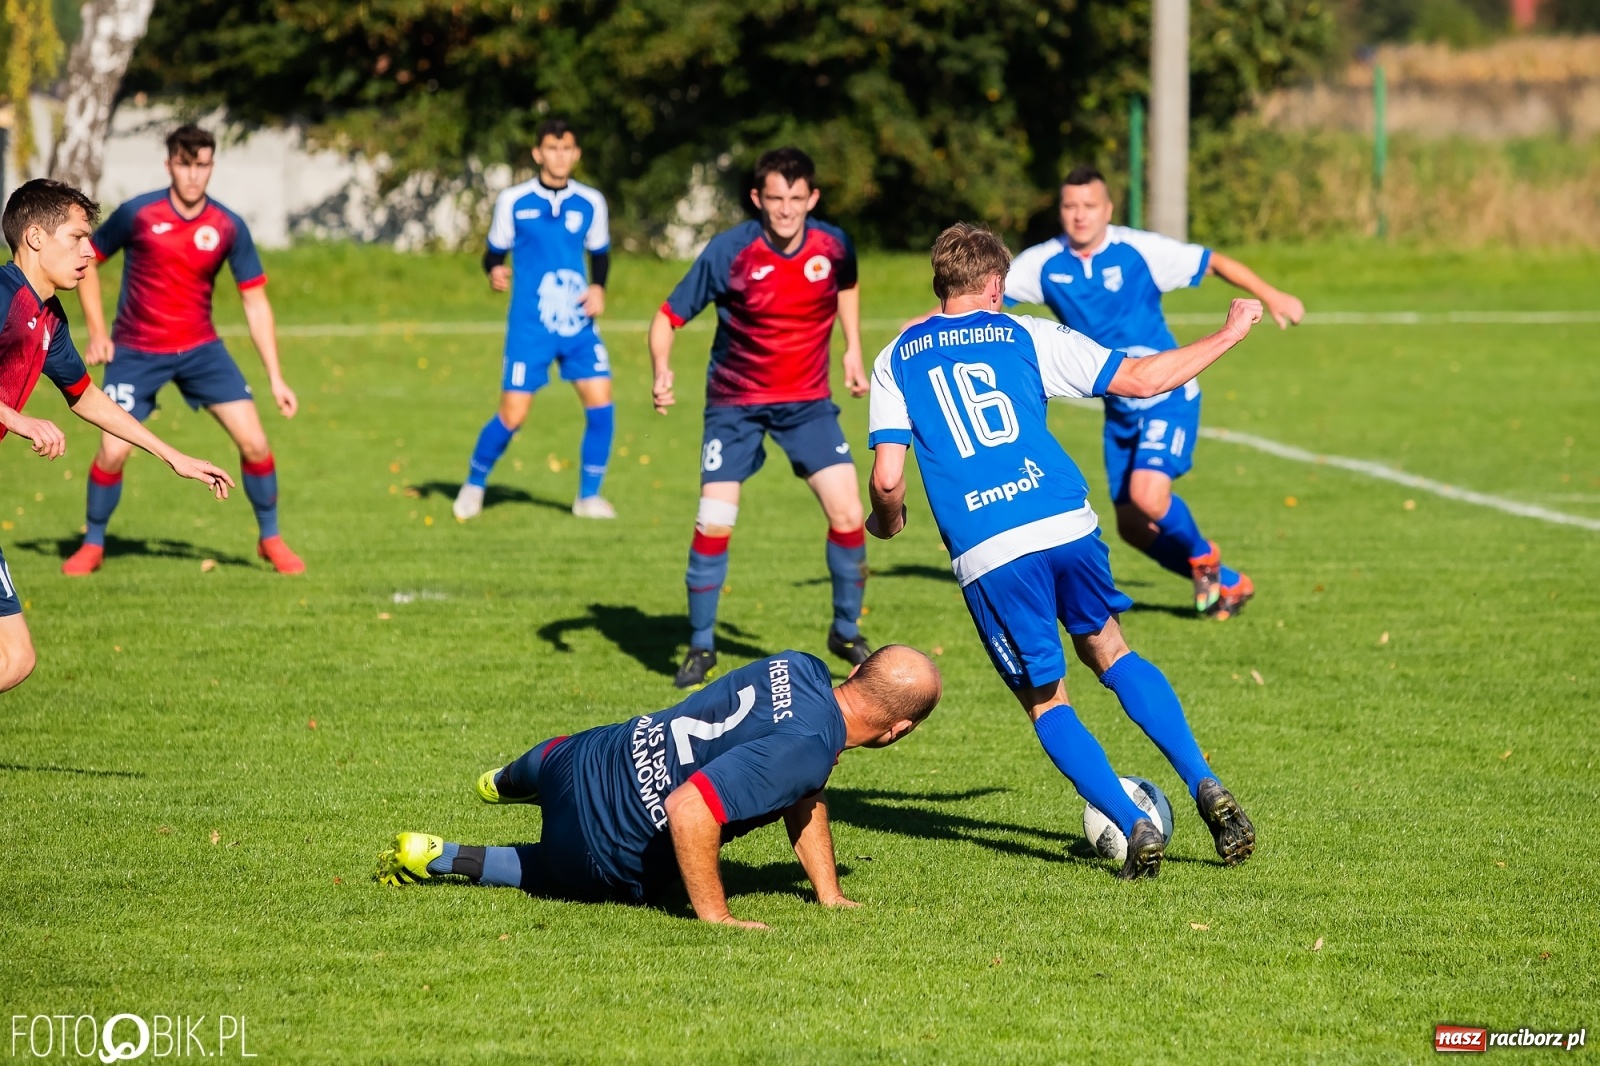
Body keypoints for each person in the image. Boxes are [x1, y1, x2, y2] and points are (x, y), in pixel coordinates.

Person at [866, 223, 1258, 879]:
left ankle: (1131, 825)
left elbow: (885, 479)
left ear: (941, 285)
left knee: (1048, 699)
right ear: (998, 286)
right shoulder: (1026, 333)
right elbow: (1138, 379)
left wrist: (889, 520)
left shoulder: (896, 355)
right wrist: (1228, 334)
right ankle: (1204, 781)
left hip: (991, 548)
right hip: (1065, 520)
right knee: (1112, 649)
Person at [377, 645, 941, 928]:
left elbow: (804, 791)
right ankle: (445, 856)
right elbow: (688, 808)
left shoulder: (800, 666)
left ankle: (503, 780)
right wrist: (717, 918)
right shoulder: (808, 751)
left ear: (858, 670)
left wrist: (828, 892)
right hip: (601, 848)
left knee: (561, 755)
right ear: (899, 730)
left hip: (586, 755)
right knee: (545, 868)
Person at [1004, 166, 1306, 617]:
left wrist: (1273, 294)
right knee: (1132, 527)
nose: (1080, 215)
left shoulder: (1137, 250)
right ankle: (1228, 582)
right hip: (1120, 406)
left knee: (1149, 497)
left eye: (1090, 206)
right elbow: (978, 303)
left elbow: (1214, 261)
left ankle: (1205, 556)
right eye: (1070, 206)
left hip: (1168, 393)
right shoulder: (1043, 263)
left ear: (1108, 209)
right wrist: (928, 327)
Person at [648, 147, 871, 690]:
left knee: (849, 513)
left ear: (812, 199)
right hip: (735, 404)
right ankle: (701, 646)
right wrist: (661, 372)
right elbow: (667, 316)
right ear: (758, 199)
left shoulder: (833, 245)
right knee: (714, 520)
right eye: (775, 199)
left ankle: (844, 631)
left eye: (797, 199)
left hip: (807, 403)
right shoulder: (730, 252)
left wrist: (852, 349)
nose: (786, 210)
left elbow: (846, 285)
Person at [0, 180, 234, 690]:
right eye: (78, 237)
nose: (90, 252)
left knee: (16, 659)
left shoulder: (47, 318)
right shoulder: (2, 294)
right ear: (36, 237)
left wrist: (173, 456)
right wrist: (19, 420)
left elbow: (86, 396)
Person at [60, 124, 301, 576]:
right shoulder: (139, 214)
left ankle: (270, 538)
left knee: (254, 441)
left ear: (212, 166)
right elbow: (86, 259)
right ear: (170, 163)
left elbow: (254, 300)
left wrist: (276, 376)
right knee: (113, 451)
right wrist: (97, 330)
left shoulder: (228, 225)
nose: (194, 175)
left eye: (202, 165)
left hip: (201, 350)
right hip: (135, 350)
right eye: (185, 164)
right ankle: (93, 543)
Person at [453, 118, 615, 522]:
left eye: (567, 149)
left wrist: (599, 288)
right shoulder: (513, 200)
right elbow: (493, 253)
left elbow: (600, 254)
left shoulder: (591, 201)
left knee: (601, 405)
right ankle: (474, 485)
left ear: (576, 154)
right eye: (552, 149)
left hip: (578, 325)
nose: (560, 156)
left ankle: (588, 497)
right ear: (537, 153)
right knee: (513, 415)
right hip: (530, 327)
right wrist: (494, 270)